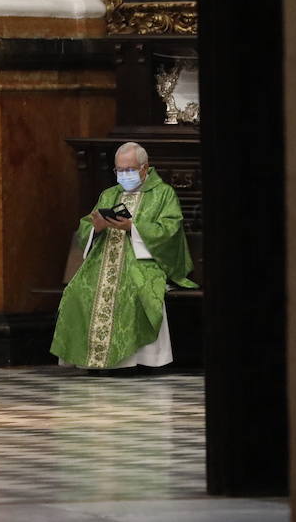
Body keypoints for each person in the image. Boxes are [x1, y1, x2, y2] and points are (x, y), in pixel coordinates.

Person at [50, 142, 197, 373]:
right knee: (78, 291)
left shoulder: (163, 193)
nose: (124, 175)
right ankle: (91, 360)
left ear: (144, 168)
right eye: (119, 170)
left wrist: (133, 227)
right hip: (103, 259)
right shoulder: (109, 194)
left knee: (130, 289)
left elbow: (170, 230)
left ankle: (132, 361)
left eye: (129, 169)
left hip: (143, 262)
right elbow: (84, 227)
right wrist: (96, 228)